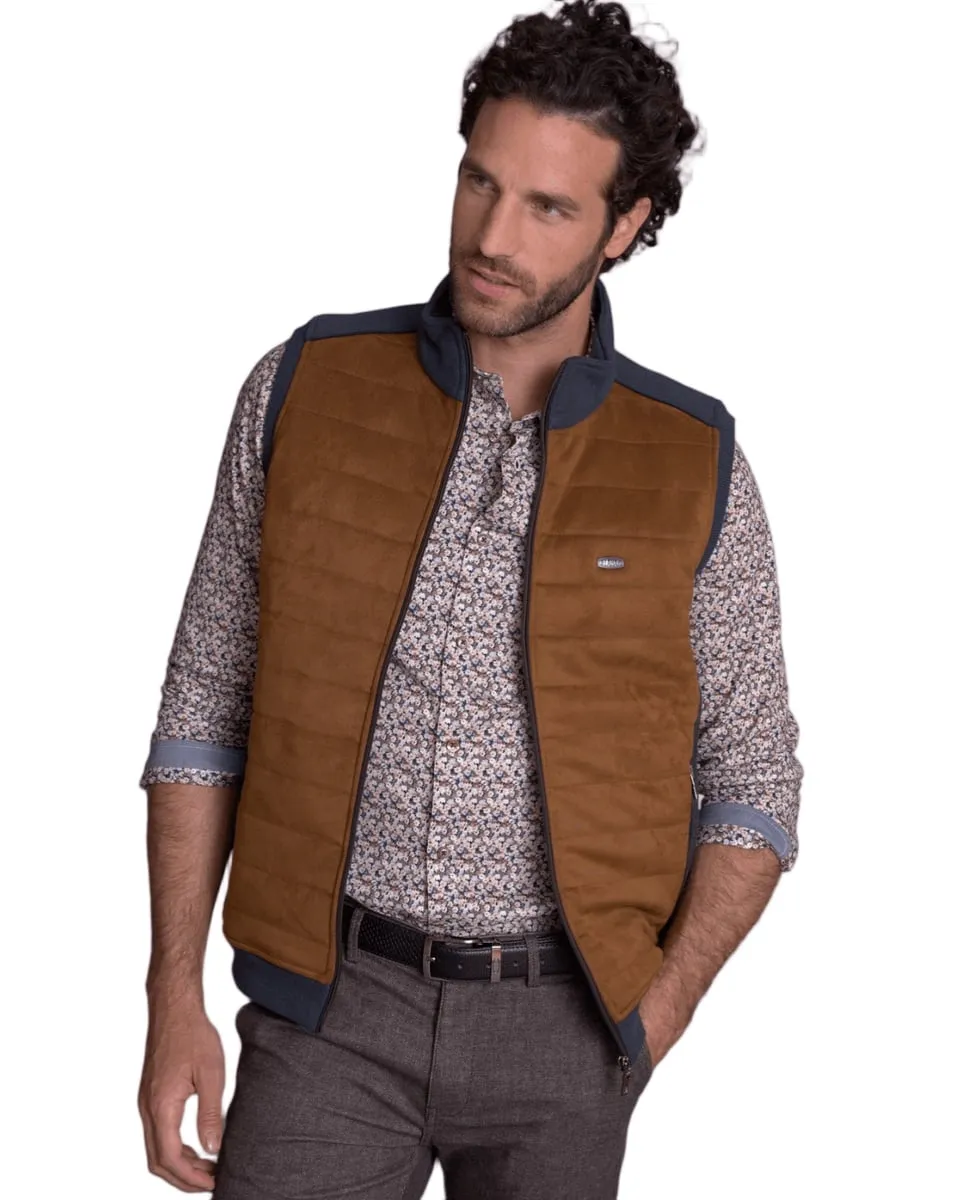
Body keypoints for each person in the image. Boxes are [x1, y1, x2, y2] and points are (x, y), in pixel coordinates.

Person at [136, 2, 803, 1196]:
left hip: (563, 1027)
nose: (492, 237)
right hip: (325, 1014)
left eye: (548, 207)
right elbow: (201, 709)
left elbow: (752, 782)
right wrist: (171, 994)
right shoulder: (303, 389)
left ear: (625, 225)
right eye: (479, 184)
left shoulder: (692, 462)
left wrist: (651, 1016)